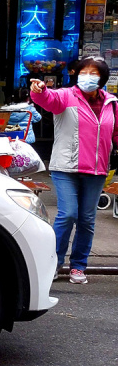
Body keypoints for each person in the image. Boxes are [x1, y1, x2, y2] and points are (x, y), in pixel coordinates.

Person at [31, 57, 118, 285]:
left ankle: (78, 266)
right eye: (84, 72)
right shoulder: (65, 96)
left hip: (97, 169)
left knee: (87, 220)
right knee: (68, 214)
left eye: (94, 73)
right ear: (76, 74)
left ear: (102, 78)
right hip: (66, 166)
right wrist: (39, 90)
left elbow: (115, 133)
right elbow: (47, 100)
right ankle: (54, 263)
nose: (88, 76)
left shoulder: (112, 103)